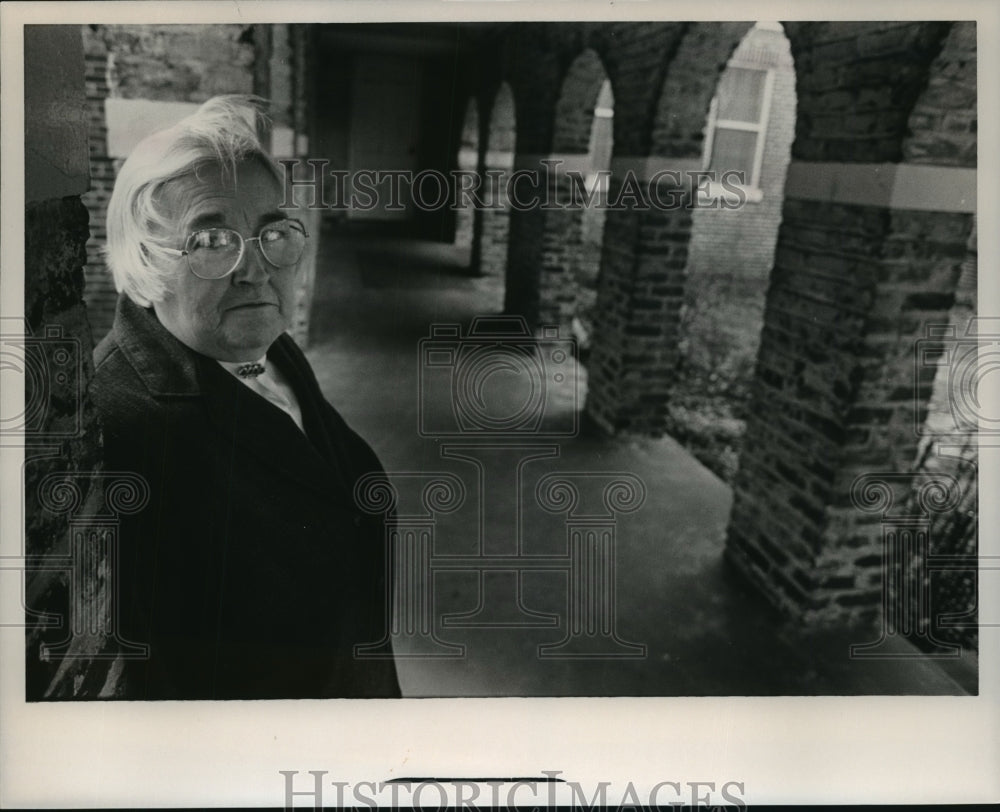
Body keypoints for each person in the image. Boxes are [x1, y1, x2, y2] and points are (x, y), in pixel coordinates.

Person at [91, 95, 400, 699]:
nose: (255, 269)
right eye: (210, 240)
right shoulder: (119, 425)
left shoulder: (266, 346)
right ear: (144, 262)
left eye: (273, 233)